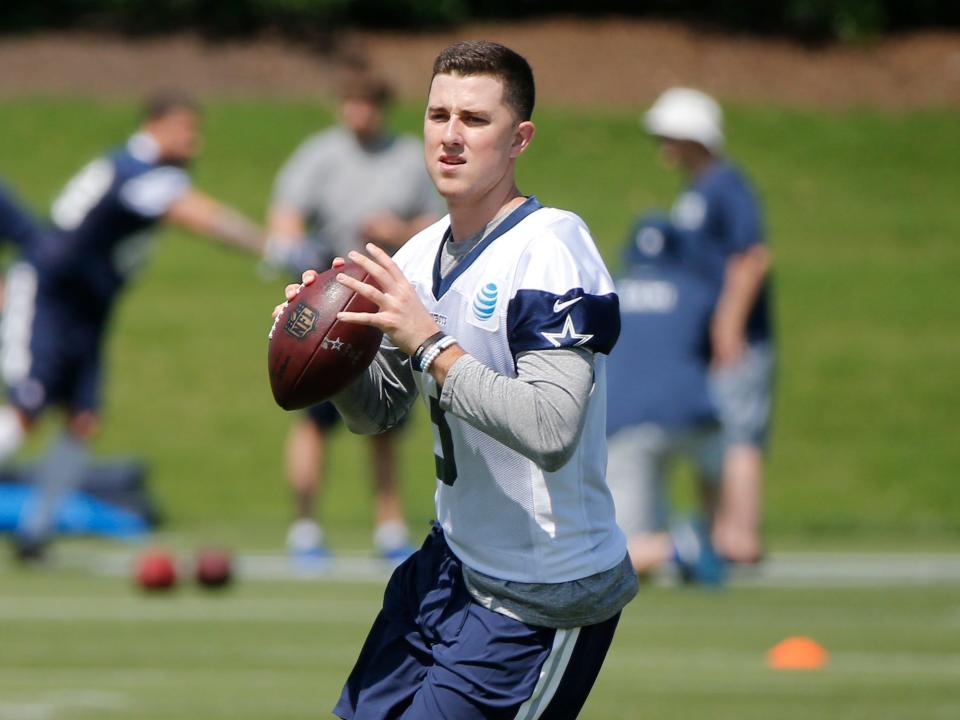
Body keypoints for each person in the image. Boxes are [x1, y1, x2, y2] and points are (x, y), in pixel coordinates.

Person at [275, 40, 637, 719]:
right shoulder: (417, 255)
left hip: (538, 593)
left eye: (474, 119)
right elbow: (376, 414)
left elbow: (551, 428)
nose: (449, 135)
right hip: (447, 570)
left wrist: (431, 345)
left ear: (519, 138)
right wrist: (330, 355)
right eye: (438, 115)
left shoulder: (551, 247)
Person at [0, 93, 264, 560]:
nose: (194, 143)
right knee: (29, 405)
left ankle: (34, 534)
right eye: (187, 130)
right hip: (49, 297)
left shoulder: (148, 172)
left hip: (88, 309)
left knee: (83, 419)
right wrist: (268, 245)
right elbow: (193, 214)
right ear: (156, 125)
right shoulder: (135, 170)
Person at [264, 69, 443, 562]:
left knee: (386, 418)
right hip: (327, 304)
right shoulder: (322, 153)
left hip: (387, 296)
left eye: (367, 103)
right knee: (310, 411)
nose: (358, 112)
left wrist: (398, 227)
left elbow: (438, 223)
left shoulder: (408, 157)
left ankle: (387, 527)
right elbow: (285, 211)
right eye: (351, 102)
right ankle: (304, 526)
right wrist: (291, 245)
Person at [643, 87, 774, 565]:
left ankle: (740, 537)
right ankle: (718, 534)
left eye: (670, 133)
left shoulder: (726, 185)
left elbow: (751, 256)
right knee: (711, 434)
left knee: (738, 433)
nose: (663, 143)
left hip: (734, 339)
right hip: (704, 340)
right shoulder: (699, 188)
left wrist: (729, 324)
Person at [606, 214, 726, 585]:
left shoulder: (609, 289)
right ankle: (715, 535)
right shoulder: (696, 288)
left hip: (626, 419)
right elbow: (714, 350)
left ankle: (677, 548)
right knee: (715, 457)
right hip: (694, 414)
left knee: (616, 556)